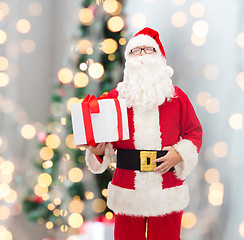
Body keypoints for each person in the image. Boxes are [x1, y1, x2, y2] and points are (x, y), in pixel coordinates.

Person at [85, 27, 203, 240]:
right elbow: (102, 142)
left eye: (148, 49)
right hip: (128, 189)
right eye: (136, 50)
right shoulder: (114, 100)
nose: (142, 55)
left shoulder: (177, 98)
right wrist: (97, 150)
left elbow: (194, 132)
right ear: (128, 59)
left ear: (159, 57)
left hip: (167, 187)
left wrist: (179, 153)